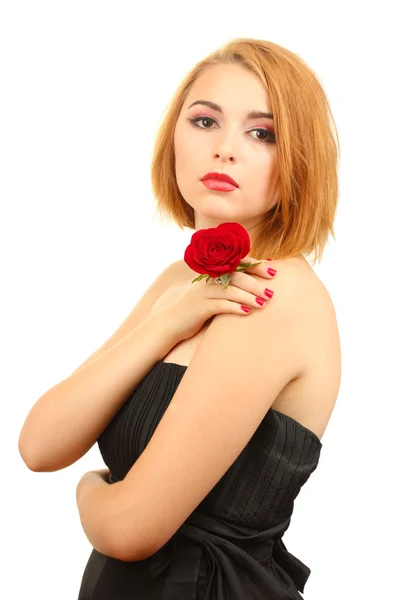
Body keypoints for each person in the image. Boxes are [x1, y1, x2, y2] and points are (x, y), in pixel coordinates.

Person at [19, 37, 341, 599]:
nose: (225, 150)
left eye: (261, 133)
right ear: (174, 137)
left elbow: (129, 529)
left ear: (299, 160)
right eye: (204, 121)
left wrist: (91, 489)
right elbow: (40, 443)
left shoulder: (273, 293)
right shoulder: (181, 283)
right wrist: (168, 322)